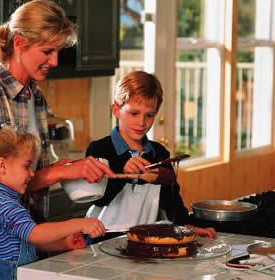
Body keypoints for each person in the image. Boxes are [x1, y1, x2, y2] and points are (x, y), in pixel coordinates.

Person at [0, 1, 114, 279]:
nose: (55, 61)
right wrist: (62, 172)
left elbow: (24, 182)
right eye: (47, 51)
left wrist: (52, 242)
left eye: (58, 51)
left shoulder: (35, 98)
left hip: (15, 250)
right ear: (19, 43)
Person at [0, 114, 105, 280]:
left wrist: (62, 244)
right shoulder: (1, 205)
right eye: (26, 166)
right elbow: (35, 233)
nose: (32, 173)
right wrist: (79, 224)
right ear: (2, 165)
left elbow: (24, 240)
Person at [86, 71, 216, 239]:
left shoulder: (159, 153)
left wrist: (185, 224)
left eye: (149, 115)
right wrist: (125, 172)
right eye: (134, 113)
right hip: (100, 237)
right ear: (116, 110)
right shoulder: (99, 149)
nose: (141, 122)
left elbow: (171, 200)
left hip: (142, 238)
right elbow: (99, 199)